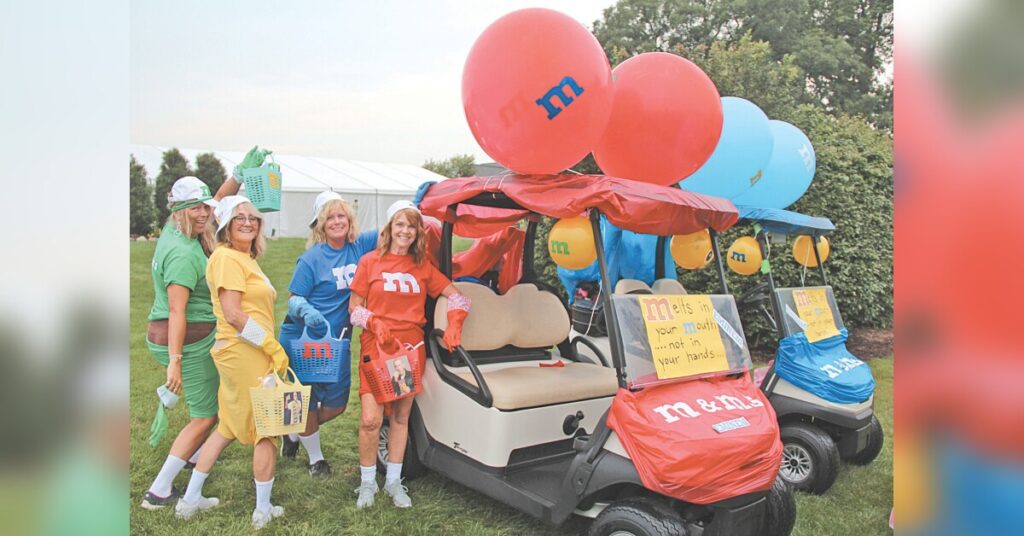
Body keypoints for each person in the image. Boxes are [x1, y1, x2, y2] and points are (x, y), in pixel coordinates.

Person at [174, 195, 290, 530]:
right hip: (244, 350)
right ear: (225, 225)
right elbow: (234, 315)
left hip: (242, 350)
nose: (248, 223)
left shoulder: (243, 257)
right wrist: (270, 345)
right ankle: (262, 509)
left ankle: (190, 500)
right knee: (268, 426)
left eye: (253, 218)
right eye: (240, 218)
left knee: (227, 426)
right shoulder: (226, 258)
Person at [349, 200, 471, 509]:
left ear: (418, 232)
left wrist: (455, 323)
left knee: (400, 417)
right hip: (378, 348)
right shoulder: (369, 262)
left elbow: (457, 297)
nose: (405, 231)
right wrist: (374, 322)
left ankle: (393, 481)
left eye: (412, 226)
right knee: (370, 419)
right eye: (400, 224)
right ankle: (367, 483)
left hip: (408, 351)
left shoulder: (422, 267)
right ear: (390, 228)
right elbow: (354, 309)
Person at [277, 191, 377, 477]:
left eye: (341, 215)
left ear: (350, 219)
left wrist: (417, 203)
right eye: (329, 217)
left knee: (336, 405)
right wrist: (307, 310)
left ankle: (293, 431)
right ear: (320, 224)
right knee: (307, 399)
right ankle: (316, 460)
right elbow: (294, 299)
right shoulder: (311, 259)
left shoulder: (359, 246)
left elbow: (393, 226)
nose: (336, 221)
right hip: (304, 337)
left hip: (338, 341)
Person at [141, 177, 221, 510]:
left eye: (206, 207)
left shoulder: (174, 229)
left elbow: (214, 201)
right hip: (189, 342)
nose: (205, 214)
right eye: (197, 209)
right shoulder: (183, 254)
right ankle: (159, 491)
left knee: (217, 405)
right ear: (180, 210)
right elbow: (177, 310)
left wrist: (238, 176)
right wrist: (175, 361)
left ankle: (193, 454)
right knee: (206, 416)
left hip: (171, 334)